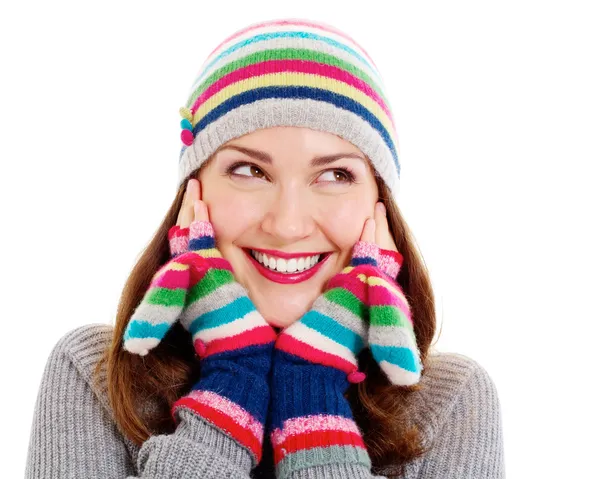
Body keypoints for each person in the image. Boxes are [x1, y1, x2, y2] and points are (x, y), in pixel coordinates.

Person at [25, 18, 505, 478]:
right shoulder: (96, 376)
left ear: (378, 208)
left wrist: (312, 387)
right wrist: (234, 375)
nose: (288, 224)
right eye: (249, 171)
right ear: (195, 194)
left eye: (335, 175)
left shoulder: (450, 401)